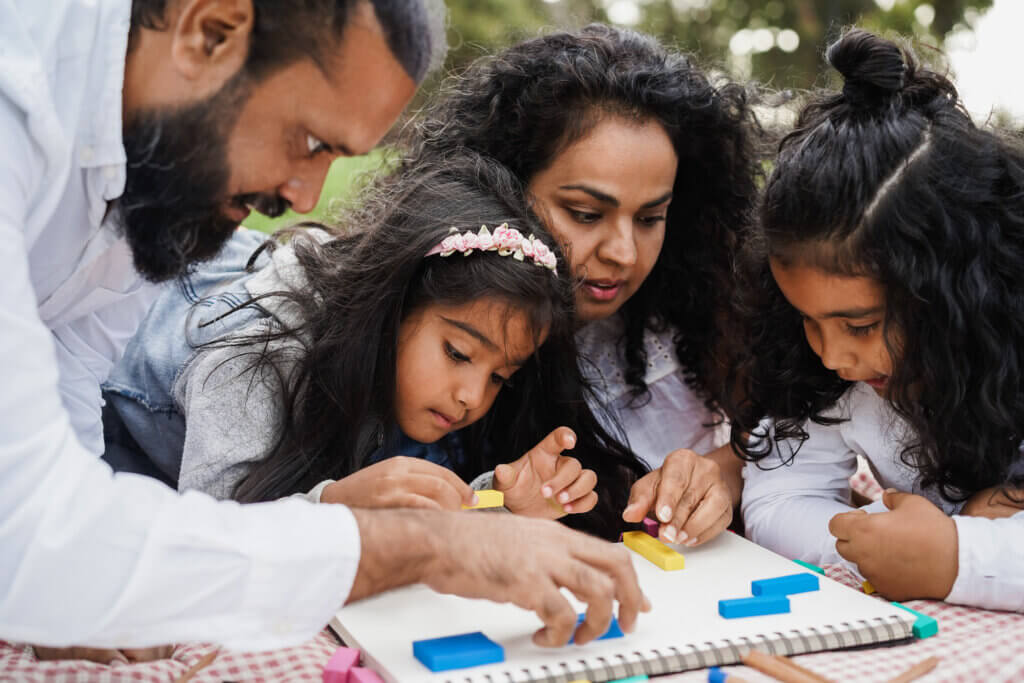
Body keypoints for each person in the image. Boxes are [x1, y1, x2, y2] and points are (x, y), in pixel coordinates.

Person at [1, 0, 649, 650]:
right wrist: (416, 544)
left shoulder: (142, 174)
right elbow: (27, 523)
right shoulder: (19, 114)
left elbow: (70, 382)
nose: (306, 198)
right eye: (310, 141)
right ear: (210, 30)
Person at [102, 152, 647, 536]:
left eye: (499, 376)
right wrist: (336, 504)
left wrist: (504, 503)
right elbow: (215, 530)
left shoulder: (420, 384)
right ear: (393, 307)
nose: (471, 397)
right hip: (127, 442)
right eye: (458, 353)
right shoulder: (260, 353)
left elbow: (416, 509)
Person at [409, 24, 759, 547]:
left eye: (650, 218)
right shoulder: (429, 322)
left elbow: (794, 435)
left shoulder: (697, 316)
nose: (622, 253)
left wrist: (725, 470)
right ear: (501, 186)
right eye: (585, 213)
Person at [726, 29, 1024, 611]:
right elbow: (781, 497)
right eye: (807, 320)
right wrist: (880, 544)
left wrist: (958, 556)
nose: (832, 356)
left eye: (860, 325)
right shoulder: (826, 372)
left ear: (960, 289)